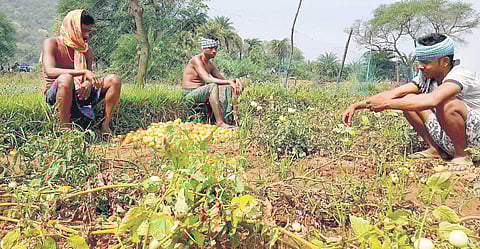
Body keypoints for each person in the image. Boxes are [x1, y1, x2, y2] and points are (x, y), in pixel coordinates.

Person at [343, 33, 480, 170]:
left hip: (475, 139)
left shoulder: (460, 75)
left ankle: (462, 155)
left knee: (446, 103)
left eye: (426, 63)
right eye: (420, 62)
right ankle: (436, 150)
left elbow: (432, 100)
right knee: (408, 99)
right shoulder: (426, 77)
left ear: (444, 62)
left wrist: (386, 105)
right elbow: (393, 93)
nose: (420, 66)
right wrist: (356, 106)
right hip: (453, 137)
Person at [41, 9, 121, 135]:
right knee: (66, 78)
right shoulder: (52, 43)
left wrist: (88, 83)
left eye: (88, 31)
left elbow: (89, 75)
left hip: (82, 91)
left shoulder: (85, 49)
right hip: (58, 91)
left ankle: (105, 126)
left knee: (114, 80)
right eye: (83, 31)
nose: (86, 35)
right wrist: (82, 71)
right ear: (72, 27)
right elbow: (50, 71)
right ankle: (65, 128)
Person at [182, 34, 243, 128]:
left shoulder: (210, 64)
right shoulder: (196, 60)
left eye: (215, 48)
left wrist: (235, 81)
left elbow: (223, 80)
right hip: (190, 94)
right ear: (203, 48)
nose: (214, 51)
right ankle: (219, 122)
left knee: (230, 86)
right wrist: (229, 81)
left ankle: (233, 119)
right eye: (210, 48)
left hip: (202, 93)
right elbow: (207, 79)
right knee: (213, 86)